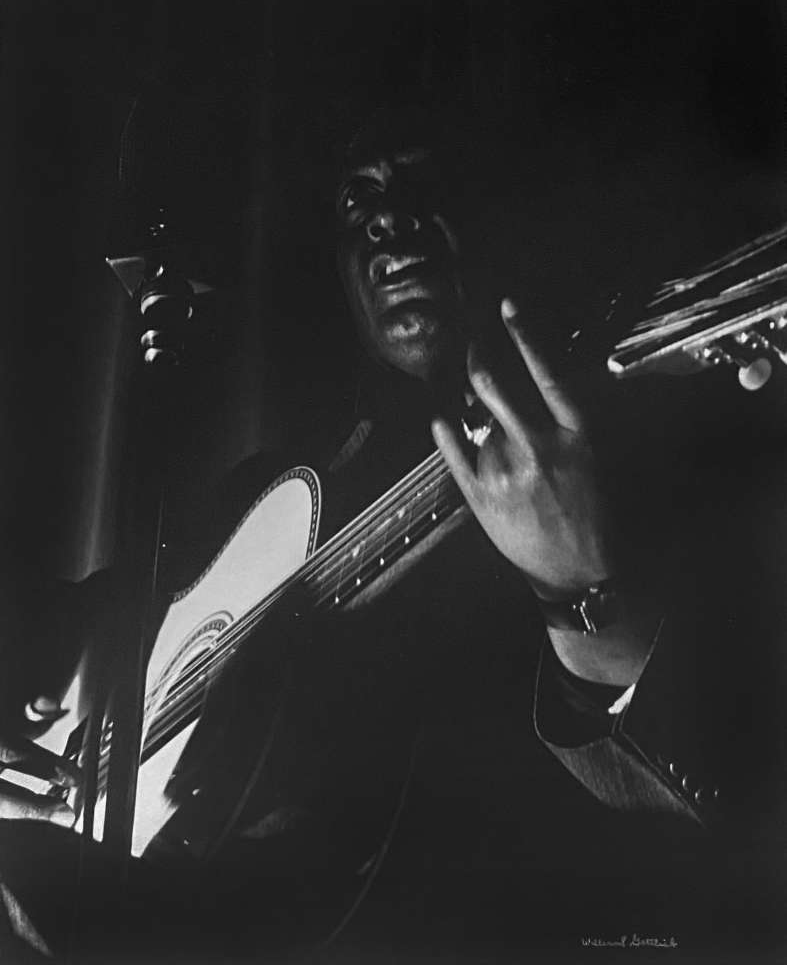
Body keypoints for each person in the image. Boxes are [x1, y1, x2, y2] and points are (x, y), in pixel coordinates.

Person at [0, 104, 784, 962]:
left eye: (425, 184)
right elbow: (79, 625)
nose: (388, 216)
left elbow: (732, 834)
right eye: (356, 202)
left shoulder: (641, 455)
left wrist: (582, 595)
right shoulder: (263, 491)